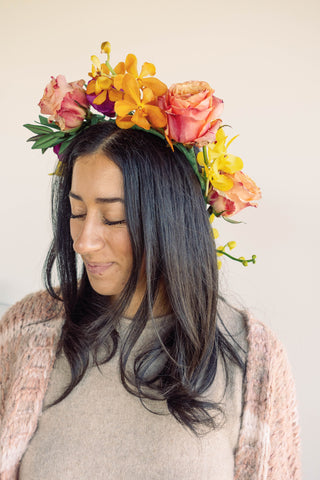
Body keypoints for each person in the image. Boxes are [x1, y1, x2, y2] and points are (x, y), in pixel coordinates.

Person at [0, 43, 301, 479]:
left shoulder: (254, 359)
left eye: (114, 218)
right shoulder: (28, 331)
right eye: (78, 212)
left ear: (170, 223)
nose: (84, 242)